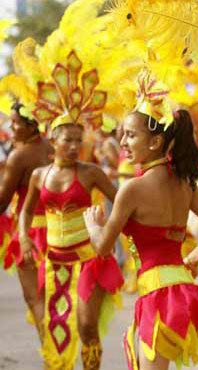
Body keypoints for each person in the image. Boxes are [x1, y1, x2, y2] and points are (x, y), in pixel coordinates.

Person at [85, 101, 198, 369]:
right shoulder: (185, 183)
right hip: (180, 288)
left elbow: (103, 248)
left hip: (159, 295)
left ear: (156, 141)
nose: (122, 142)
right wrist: (193, 258)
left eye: (131, 135)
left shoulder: (132, 189)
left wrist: (94, 227)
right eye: (122, 134)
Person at [20, 52, 123, 370]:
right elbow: (26, 212)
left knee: (86, 326)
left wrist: (106, 227)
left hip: (88, 260)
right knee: (53, 328)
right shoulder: (40, 175)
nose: (75, 145)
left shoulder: (91, 172)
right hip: (52, 263)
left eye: (79, 140)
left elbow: (122, 200)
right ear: (53, 139)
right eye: (68, 140)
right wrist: (24, 238)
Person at [0, 102, 51, 342]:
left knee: (35, 298)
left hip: (29, 233)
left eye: (17, 122)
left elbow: (3, 200)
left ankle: (53, 357)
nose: (12, 126)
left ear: (33, 126)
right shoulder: (54, 148)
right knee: (55, 298)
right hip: (60, 231)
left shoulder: (19, 156)